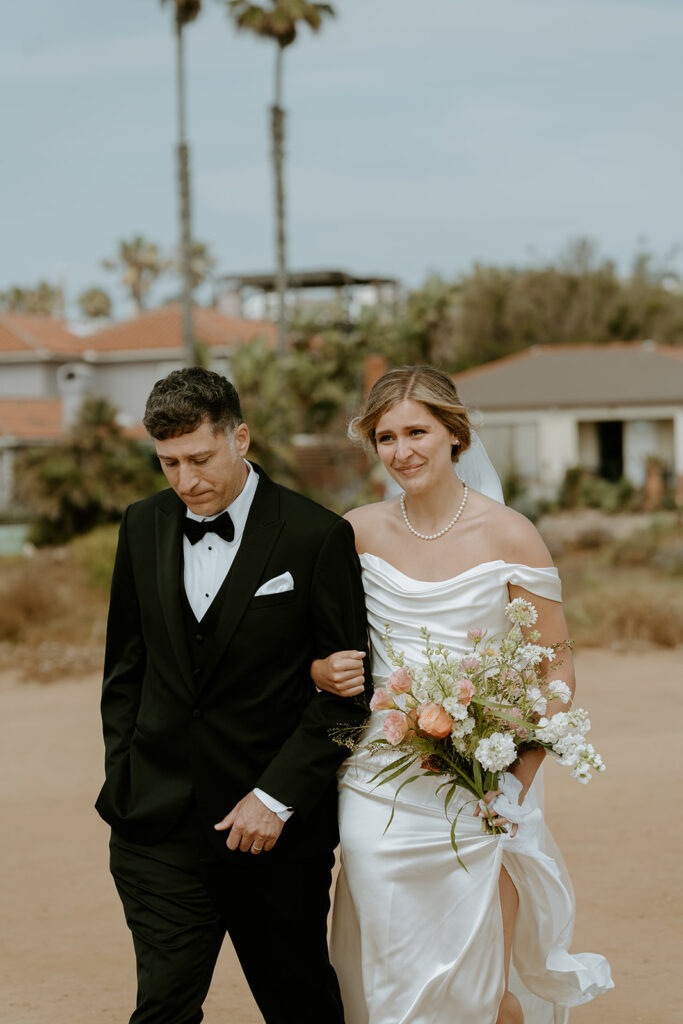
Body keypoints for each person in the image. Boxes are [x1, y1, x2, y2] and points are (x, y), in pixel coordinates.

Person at [312, 366, 613, 1024]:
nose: (402, 451)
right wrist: (318, 671)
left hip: (484, 776)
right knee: (379, 917)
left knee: (477, 967)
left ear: (453, 433)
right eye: (385, 437)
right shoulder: (354, 530)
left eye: (416, 431)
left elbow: (554, 665)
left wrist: (516, 779)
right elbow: (313, 643)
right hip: (380, 773)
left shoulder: (509, 534)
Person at [95, 366, 373, 1024]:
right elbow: (124, 671)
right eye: (168, 463)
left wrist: (277, 798)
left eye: (200, 458)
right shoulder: (141, 526)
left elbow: (347, 707)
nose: (186, 481)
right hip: (156, 830)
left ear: (239, 438)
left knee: (301, 1008)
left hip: (276, 840)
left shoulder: (316, 536)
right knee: (162, 1009)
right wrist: (125, 776)